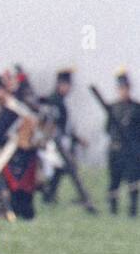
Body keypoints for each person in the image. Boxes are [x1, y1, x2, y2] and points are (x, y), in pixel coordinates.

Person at [36, 68, 94, 212]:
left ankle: (49, 196)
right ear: (61, 84)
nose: (69, 88)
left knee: (60, 171)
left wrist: (78, 139)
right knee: (65, 170)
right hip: (55, 144)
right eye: (67, 85)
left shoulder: (59, 101)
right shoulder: (54, 101)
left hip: (61, 143)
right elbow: (49, 124)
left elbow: (66, 127)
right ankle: (81, 200)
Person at [0, 72, 41, 221]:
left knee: (12, 188)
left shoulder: (11, 109)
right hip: (19, 154)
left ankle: (11, 213)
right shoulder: (17, 108)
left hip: (13, 154)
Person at [102, 69, 140, 217]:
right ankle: (113, 211)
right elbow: (107, 129)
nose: (123, 91)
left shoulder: (137, 108)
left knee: (133, 182)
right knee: (114, 182)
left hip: (131, 151)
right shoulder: (113, 108)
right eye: (121, 88)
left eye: (125, 88)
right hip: (116, 150)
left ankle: (132, 211)